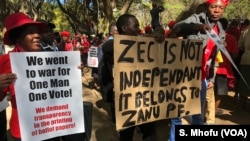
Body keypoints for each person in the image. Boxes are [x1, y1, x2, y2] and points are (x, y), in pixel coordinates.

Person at [168, 0, 229, 140]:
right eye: (213, 7)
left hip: (201, 77)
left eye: (221, 8)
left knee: (197, 114)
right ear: (208, 7)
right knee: (177, 114)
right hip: (182, 76)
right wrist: (197, 27)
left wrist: (211, 79)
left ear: (224, 9)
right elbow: (177, 27)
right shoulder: (196, 18)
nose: (216, 10)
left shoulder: (220, 28)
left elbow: (213, 57)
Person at [102, 14, 159, 141]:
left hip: (145, 98)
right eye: (136, 26)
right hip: (126, 102)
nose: (139, 29)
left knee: (150, 132)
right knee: (126, 135)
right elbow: (108, 47)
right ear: (125, 28)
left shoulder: (142, 45)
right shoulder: (111, 45)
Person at [205, 17, 239, 124]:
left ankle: (207, 112)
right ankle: (213, 112)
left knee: (208, 91)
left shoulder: (209, 36)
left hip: (209, 68)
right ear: (226, 27)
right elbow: (235, 54)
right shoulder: (231, 38)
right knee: (220, 91)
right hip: (224, 68)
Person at [237, 21, 250, 107]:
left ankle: (242, 101)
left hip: (246, 58)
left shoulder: (246, 30)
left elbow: (240, 45)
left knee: (245, 82)